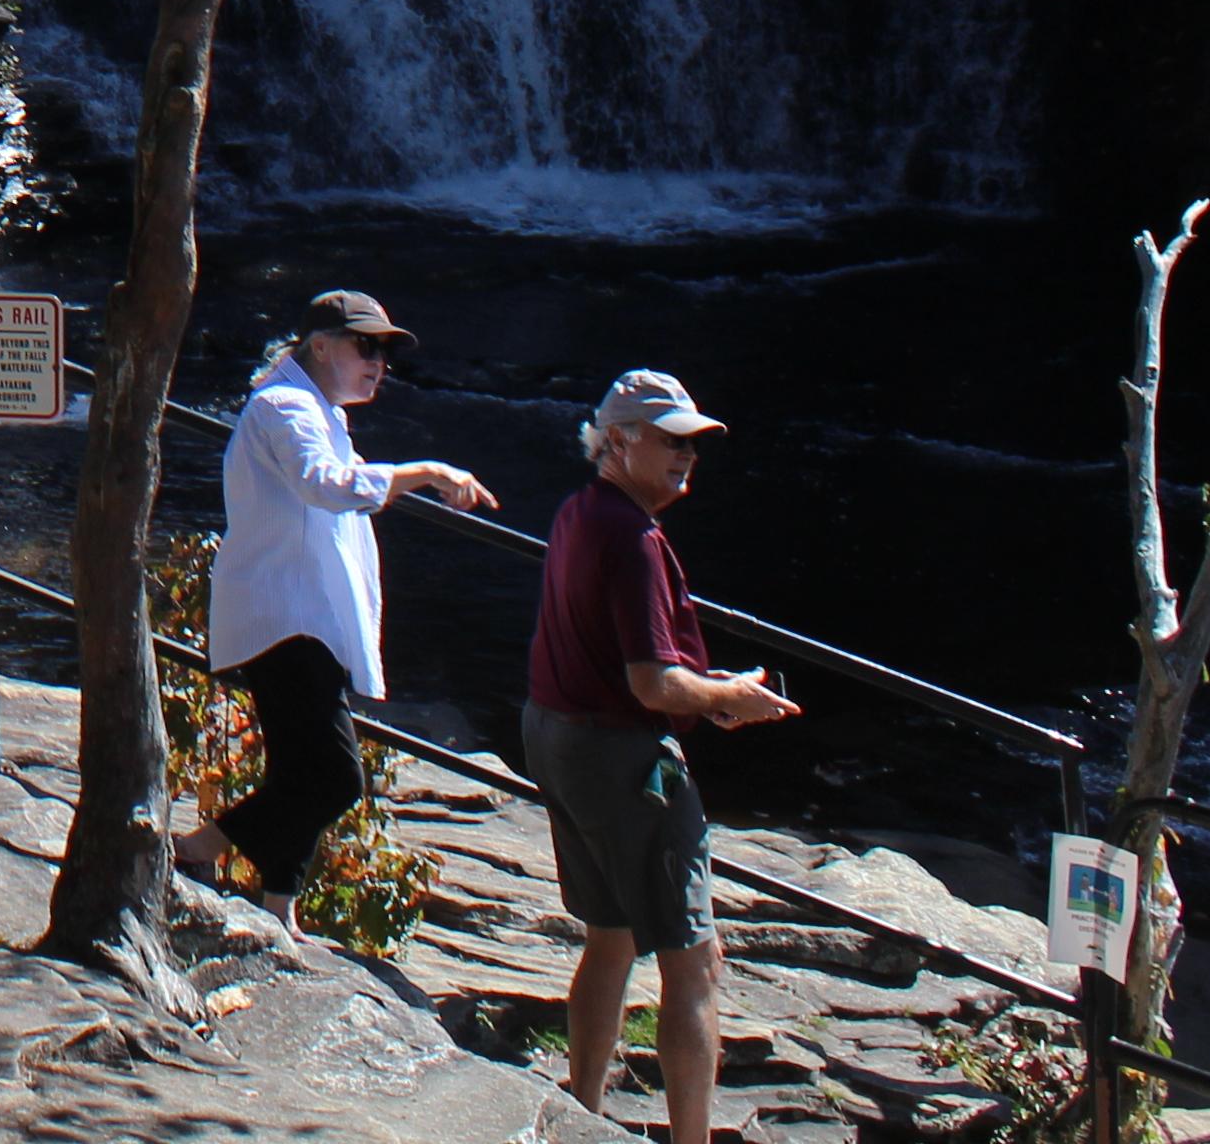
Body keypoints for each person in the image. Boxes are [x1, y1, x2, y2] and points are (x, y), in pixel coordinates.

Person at [526, 370, 800, 1144]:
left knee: (610, 936)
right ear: (616, 441)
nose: (685, 455)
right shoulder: (635, 538)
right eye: (669, 440)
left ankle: (582, 1115)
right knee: (695, 961)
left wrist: (713, 687)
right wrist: (723, 697)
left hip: (556, 735)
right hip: (622, 758)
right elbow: (650, 682)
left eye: (692, 443)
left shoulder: (579, 512)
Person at [179, 288, 497, 914]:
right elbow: (325, 485)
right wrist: (428, 471)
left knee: (299, 774)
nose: (379, 361)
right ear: (320, 346)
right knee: (333, 778)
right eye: (366, 346)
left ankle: (278, 910)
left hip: (300, 617)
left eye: (384, 350)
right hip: (285, 619)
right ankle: (195, 849)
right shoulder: (285, 407)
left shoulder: (314, 409)